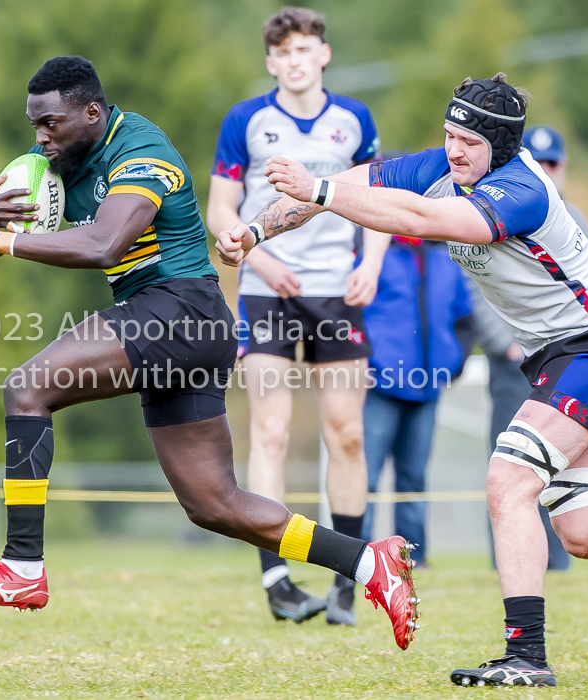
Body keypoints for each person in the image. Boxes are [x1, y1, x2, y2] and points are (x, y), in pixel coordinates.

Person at [0, 55, 419, 651]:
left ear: (92, 112)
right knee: (215, 505)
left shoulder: (143, 149)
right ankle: (370, 564)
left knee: (26, 388)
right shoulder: (55, 158)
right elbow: (2, 212)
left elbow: (104, 243)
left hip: (179, 310)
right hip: (179, 325)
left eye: (51, 123)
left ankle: (23, 569)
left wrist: (3, 241)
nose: (40, 136)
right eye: (34, 124)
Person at [215, 72, 588, 687]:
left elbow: (417, 216)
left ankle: (526, 657)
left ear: (502, 145)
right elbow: (342, 189)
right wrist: (254, 233)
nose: (454, 149)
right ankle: (526, 656)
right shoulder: (443, 165)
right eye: (448, 134)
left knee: (508, 479)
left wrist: (322, 188)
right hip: (558, 354)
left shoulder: (521, 189)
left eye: (468, 140)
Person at [206, 6, 389, 626]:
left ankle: (349, 576)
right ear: (270, 62)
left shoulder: (354, 120)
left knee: (348, 433)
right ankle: (277, 577)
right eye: (283, 53)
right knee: (272, 432)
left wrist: (372, 263)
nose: (294, 61)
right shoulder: (246, 121)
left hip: (339, 292)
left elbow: (380, 194)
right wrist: (244, 245)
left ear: (324, 55)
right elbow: (221, 207)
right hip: (267, 291)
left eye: (305, 50)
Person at [475, 125, 588, 572]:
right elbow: (476, 284)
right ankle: (508, 563)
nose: (545, 171)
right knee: (506, 466)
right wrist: (505, 342)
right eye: (537, 163)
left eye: (552, 164)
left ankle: (558, 563)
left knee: (561, 469)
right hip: (514, 363)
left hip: (570, 360)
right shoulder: (493, 210)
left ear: (562, 168)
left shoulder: (575, 217)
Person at [362, 236, 474, 566]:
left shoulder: (446, 260)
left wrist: (454, 364)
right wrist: (366, 364)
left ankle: (413, 558)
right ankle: (358, 559)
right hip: (379, 387)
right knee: (365, 478)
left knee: (414, 479)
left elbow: (465, 320)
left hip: (427, 389)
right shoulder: (372, 256)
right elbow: (352, 312)